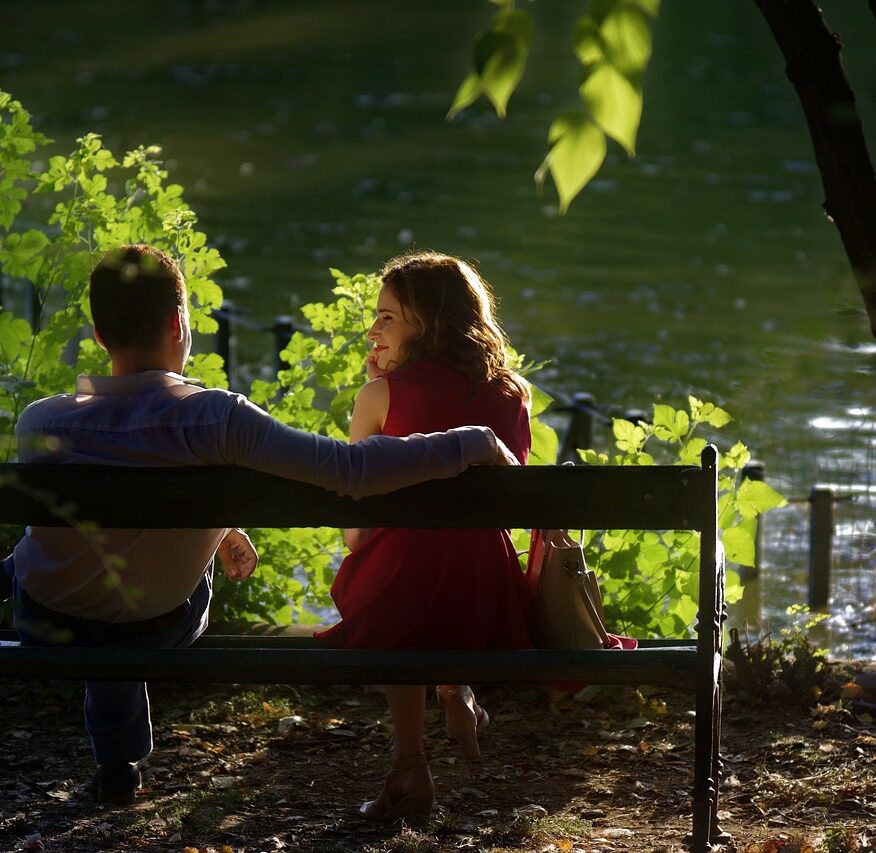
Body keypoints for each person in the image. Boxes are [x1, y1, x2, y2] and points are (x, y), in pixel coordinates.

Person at [0, 244, 518, 806]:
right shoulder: (216, 418)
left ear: (100, 337)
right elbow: (352, 470)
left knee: (64, 571)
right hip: (158, 619)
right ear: (180, 324)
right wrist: (472, 440)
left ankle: (118, 759)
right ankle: (119, 751)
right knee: (123, 596)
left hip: (46, 616)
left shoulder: (41, 420)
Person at [314, 250, 533, 823]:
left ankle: (410, 763)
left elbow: (357, 537)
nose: (372, 329)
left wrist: (378, 393)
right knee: (445, 557)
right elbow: (503, 508)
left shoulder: (378, 397)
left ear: (429, 323)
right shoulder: (512, 395)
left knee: (393, 572)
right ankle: (455, 688)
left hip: (402, 596)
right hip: (486, 596)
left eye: (387, 316)